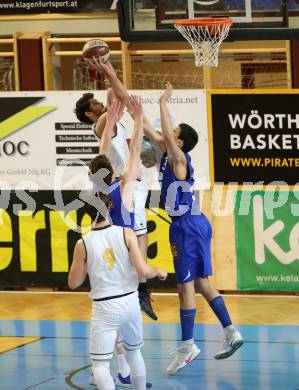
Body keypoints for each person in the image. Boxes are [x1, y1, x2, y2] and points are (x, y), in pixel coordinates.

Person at [142, 81, 244, 375]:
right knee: (200, 283)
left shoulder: (179, 160)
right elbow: (149, 129)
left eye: (173, 135)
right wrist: (134, 113)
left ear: (180, 142)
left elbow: (162, 132)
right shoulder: (167, 154)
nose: (167, 135)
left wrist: (164, 101)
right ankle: (231, 332)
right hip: (190, 224)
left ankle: (187, 346)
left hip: (187, 226)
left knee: (184, 286)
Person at [74, 59, 157, 322]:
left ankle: (136, 287)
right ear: (90, 115)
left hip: (127, 182)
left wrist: (108, 70)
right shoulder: (101, 123)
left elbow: (115, 94)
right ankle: (142, 289)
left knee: (137, 238)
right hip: (123, 185)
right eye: (95, 105)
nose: (101, 104)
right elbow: (112, 107)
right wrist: (106, 67)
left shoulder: (113, 119)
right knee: (139, 237)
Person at [68, 190, 167, 390]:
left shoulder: (83, 244)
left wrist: (86, 264)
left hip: (105, 307)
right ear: (109, 208)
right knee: (134, 353)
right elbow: (143, 271)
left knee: (100, 365)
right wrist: (158, 270)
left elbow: (73, 283)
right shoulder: (127, 233)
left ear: (87, 213)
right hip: (130, 302)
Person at [88, 98, 152, 389]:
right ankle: (127, 370)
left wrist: (109, 125)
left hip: (102, 250)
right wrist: (137, 120)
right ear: (113, 171)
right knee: (126, 318)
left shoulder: (98, 189)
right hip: (124, 248)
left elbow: (101, 155)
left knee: (108, 315)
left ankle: (118, 369)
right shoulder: (125, 186)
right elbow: (135, 151)